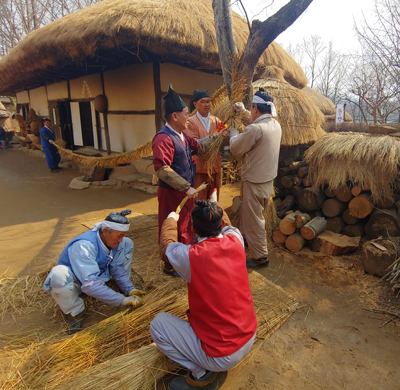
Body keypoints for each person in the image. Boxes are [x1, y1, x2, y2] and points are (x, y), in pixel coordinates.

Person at [150, 196, 257, 390]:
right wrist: (215, 205)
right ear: (221, 224)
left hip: (223, 353)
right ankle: (208, 365)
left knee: (158, 325)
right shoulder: (236, 239)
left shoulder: (190, 256)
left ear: (192, 229)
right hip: (249, 336)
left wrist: (170, 221)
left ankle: (201, 375)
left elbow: (166, 248)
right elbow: (228, 224)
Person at [152, 85, 221, 277]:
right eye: (185, 114)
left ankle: (182, 257)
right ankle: (169, 263)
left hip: (185, 192)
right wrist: (185, 186)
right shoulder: (163, 139)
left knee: (184, 224)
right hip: (172, 193)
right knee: (170, 225)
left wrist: (215, 137)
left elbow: (199, 146)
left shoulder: (181, 135)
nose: (187, 117)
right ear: (174, 116)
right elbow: (162, 169)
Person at [43, 209, 145, 334]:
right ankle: (75, 312)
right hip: (77, 280)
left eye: (123, 235)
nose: (120, 240)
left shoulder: (115, 241)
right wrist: (121, 300)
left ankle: (119, 288)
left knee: (128, 243)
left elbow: (117, 266)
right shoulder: (83, 246)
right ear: (106, 231)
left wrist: (129, 289)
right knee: (58, 275)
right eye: (119, 236)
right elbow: (90, 284)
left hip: (99, 274)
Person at [229, 88, 282, 268]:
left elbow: (236, 148)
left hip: (254, 181)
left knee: (255, 220)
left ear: (256, 109)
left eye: (251, 109)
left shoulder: (255, 129)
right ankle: (245, 241)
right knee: (251, 215)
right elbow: (256, 123)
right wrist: (243, 111)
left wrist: (233, 133)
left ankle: (260, 257)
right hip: (267, 180)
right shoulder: (275, 125)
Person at [185, 90, 225, 201]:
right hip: (199, 169)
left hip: (215, 168)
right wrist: (216, 136)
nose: (207, 104)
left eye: (208, 101)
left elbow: (224, 137)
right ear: (195, 104)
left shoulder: (215, 120)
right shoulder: (190, 122)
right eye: (203, 101)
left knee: (213, 199)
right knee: (198, 200)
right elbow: (196, 144)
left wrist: (225, 133)